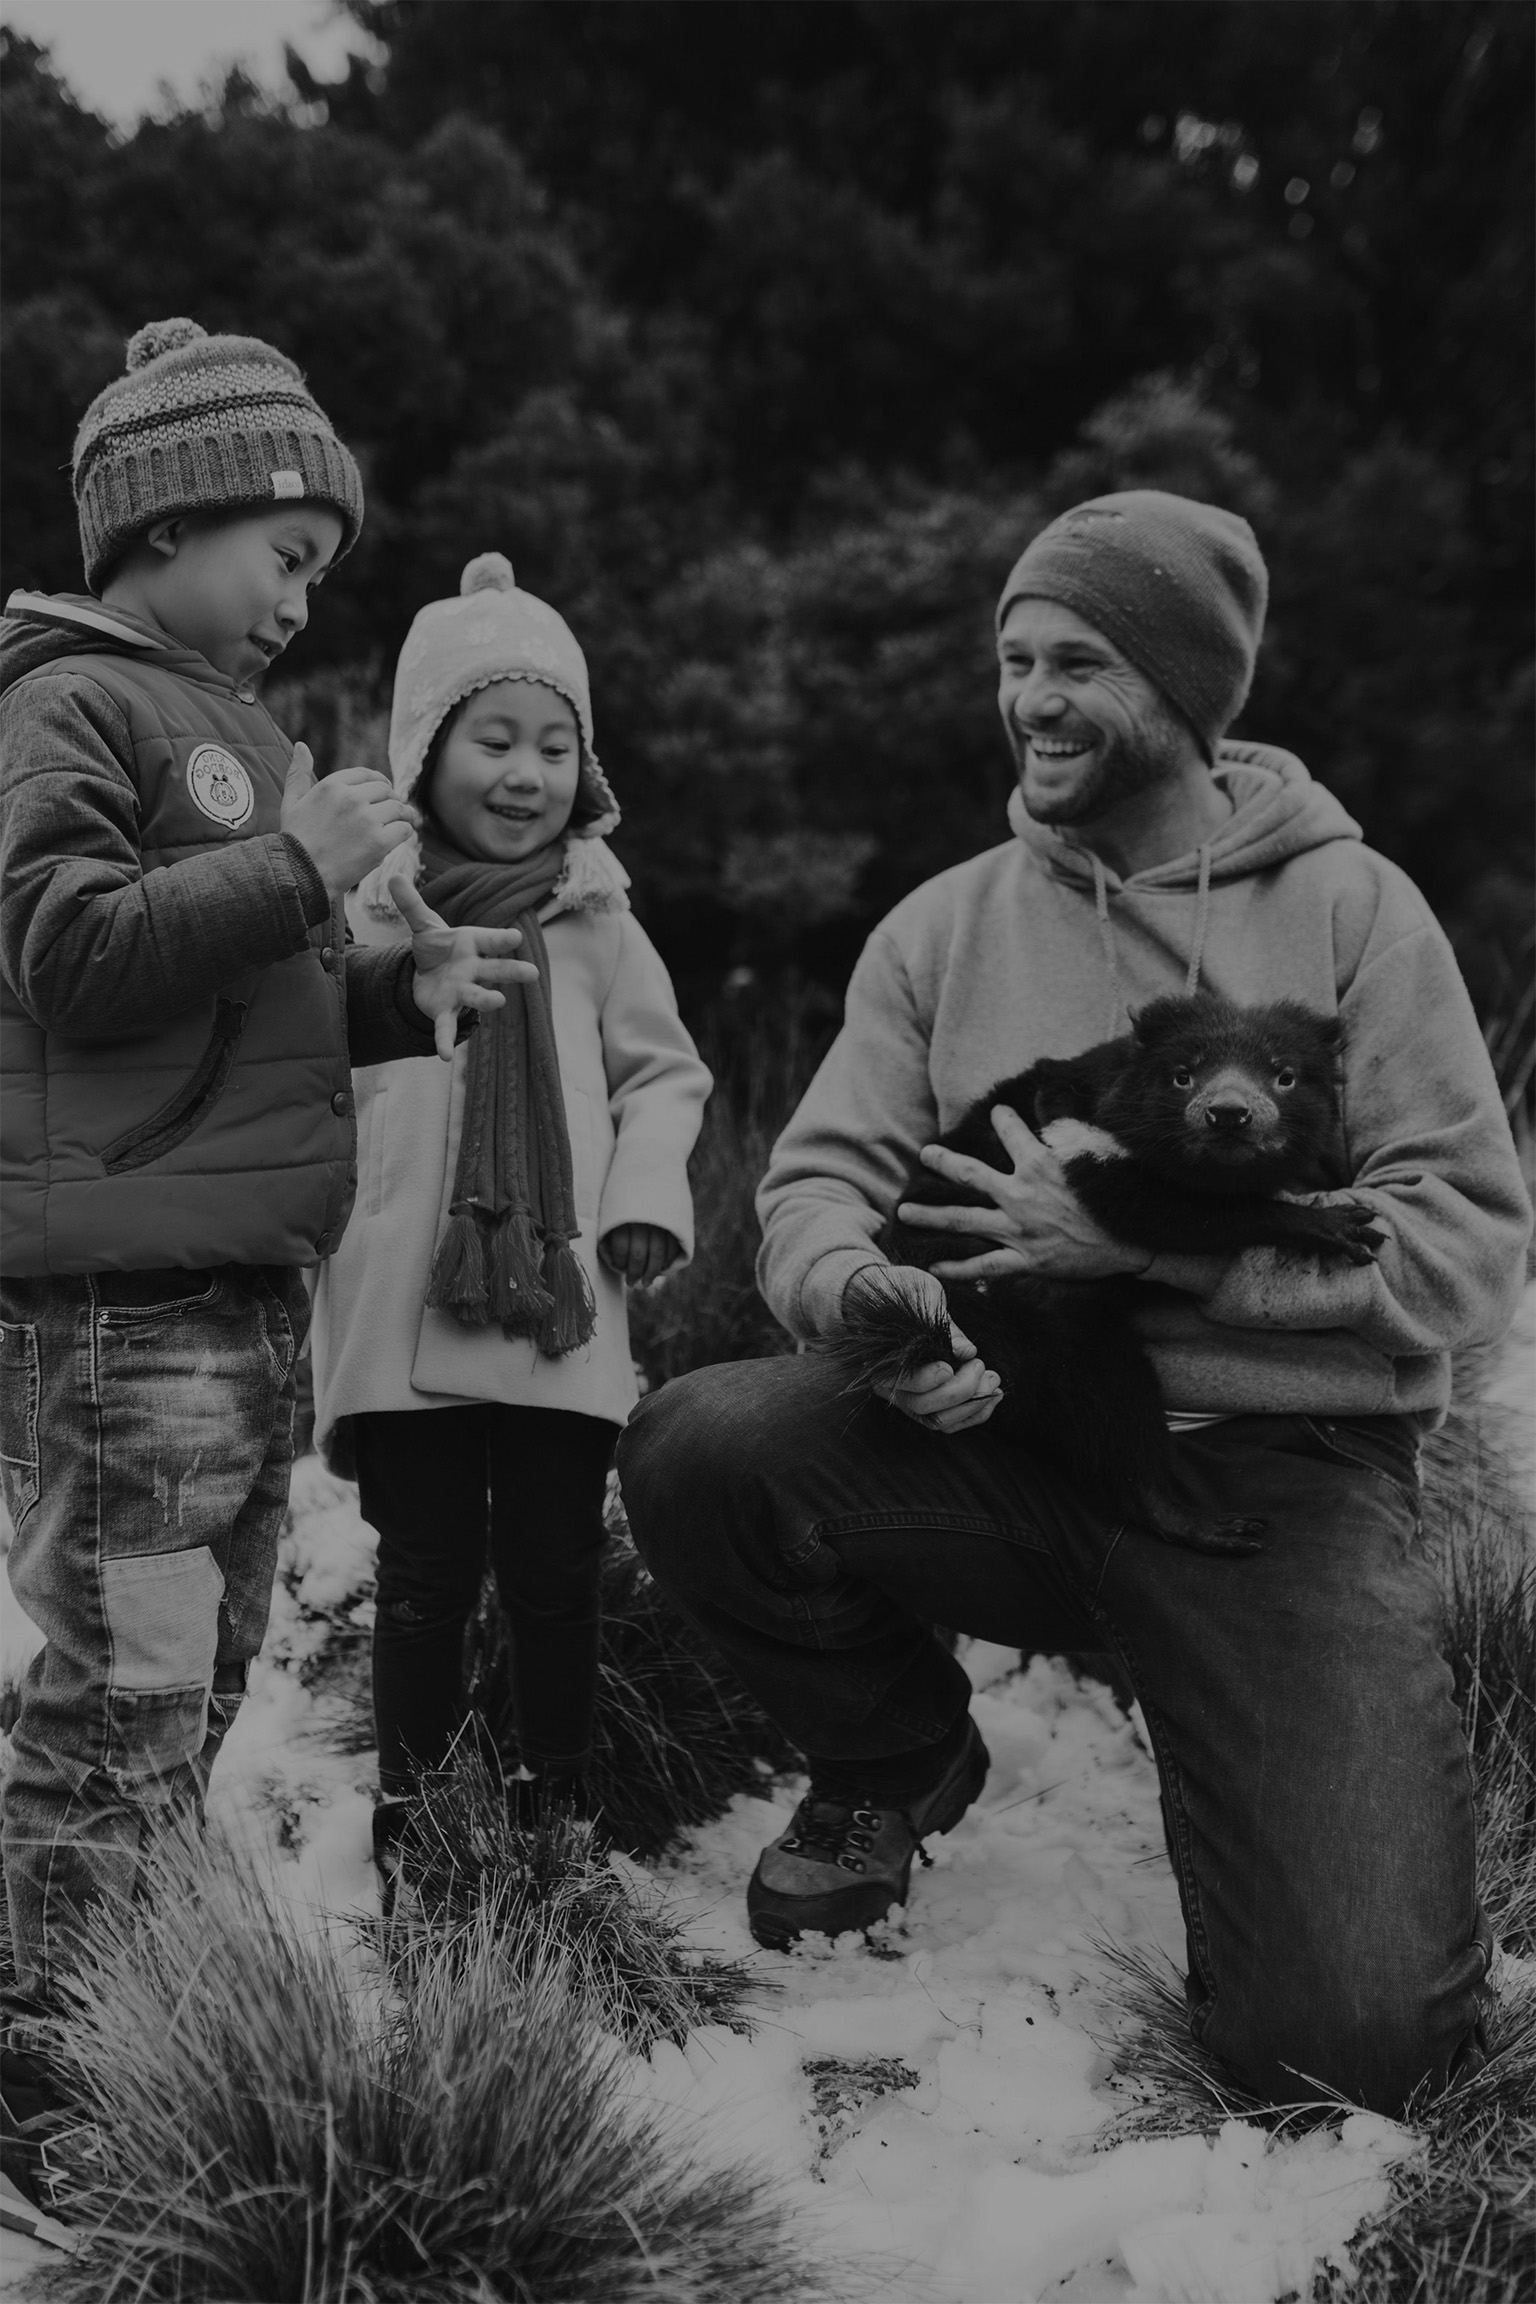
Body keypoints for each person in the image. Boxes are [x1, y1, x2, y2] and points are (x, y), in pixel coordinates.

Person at [616, 489, 1532, 2114]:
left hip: (1282, 1487)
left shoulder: (1351, 912)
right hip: (1006, 1438)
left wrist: (1156, 1260)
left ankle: (1246, 1713)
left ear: (1183, 692)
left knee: (1356, 2041)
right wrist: (886, 1308)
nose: (1030, 696)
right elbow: (810, 1191)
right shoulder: (946, 927)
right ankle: (898, 1754)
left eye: (1080, 661)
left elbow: (1464, 1247)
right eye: (1013, 656)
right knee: (701, 1443)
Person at [0, 320, 535, 2024]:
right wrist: (298, 867)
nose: (306, 601)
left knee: (206, 1665)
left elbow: (236, 1010)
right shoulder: (66, 704)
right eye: (288, 556)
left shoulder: (231, 722)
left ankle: (123, 1961)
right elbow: (67, 953)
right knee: (124, 1685)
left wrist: (388, 994)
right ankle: (53, 2041)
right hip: (126, 1301)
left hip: (236, 1287)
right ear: (169, 522)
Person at [310, 553, 709, 1870]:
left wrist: (647, 1197)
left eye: (554, 743)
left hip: (556, 1295)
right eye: (493, 739)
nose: (524, 773)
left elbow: (666, 1077)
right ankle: (411, 1812)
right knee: (424, 1575)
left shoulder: (599, 919)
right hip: (405, 1295)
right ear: (425, 749)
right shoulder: (366, 909)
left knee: (552, 1571)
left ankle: (562, 1795)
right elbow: (308, 1064)